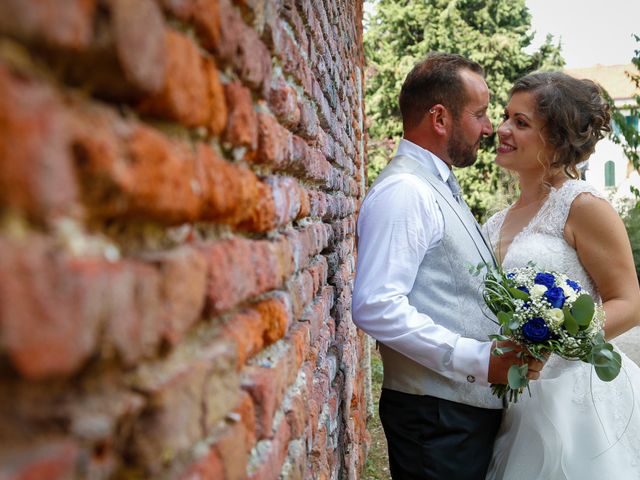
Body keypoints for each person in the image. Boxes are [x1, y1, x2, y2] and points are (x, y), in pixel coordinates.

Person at [352, 53, 544, 480]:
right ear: (439, 118)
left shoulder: (435, 184)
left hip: (455, 417)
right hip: (435, 422)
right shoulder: (406, 191)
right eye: (479, 114)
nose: (490, 127)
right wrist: (479, 358)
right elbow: (374, 305)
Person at [484, 71, 640, 479]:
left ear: (555, 138)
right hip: (515, 396)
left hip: (578, 399)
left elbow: (630, 301)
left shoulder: (583, 206)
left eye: (520, 122)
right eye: (505, 117)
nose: (501, 129)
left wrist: (560, 338)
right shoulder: (495, 222)